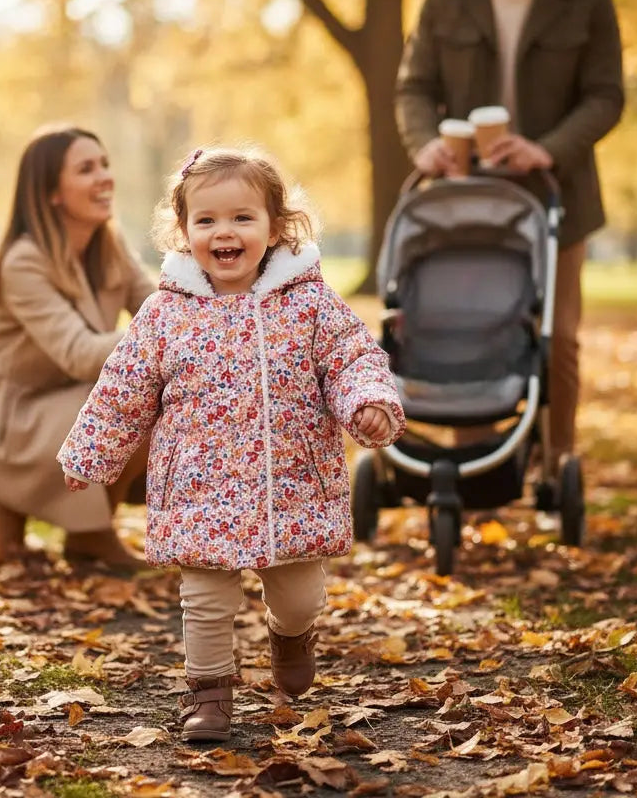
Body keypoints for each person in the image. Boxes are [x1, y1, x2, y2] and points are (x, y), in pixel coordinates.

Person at [57, 146, 406, 742]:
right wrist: (92, 453)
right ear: (184, 230)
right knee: (206, 599)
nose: (225, 232)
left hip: (290, 486)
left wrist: (367, 402)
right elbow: (124, 386)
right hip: (198, 487)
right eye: (207, 220)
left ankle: (291, 632)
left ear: (275, 227)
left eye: (243, 218)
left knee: (300, 593)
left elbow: (353, 357)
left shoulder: (309, 304)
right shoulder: (165, 314)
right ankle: (210, 693)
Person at [395, 0, 624, 464]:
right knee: (470, 327)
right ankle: (477, 470)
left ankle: (558, 463)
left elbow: (606, 96)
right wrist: (425, 145)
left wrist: (546, 148)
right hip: (466, 198)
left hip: (557, 197)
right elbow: (413, 87)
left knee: (561, 339)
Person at [0, 125, 156, 569]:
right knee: (8, 559)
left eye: (104, 164)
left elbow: (154, 303)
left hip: (67, 399)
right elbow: (80, 353)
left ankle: (88, 531)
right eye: (86, 169)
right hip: (11, 416)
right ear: (51, 194)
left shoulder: (110, 243)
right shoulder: (23, 261)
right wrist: (165, 335)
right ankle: (8, 503)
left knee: (153, 398)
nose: (104, 177)